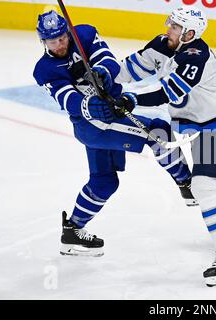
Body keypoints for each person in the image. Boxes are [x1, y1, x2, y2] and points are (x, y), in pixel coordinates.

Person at [115, 6, 216, 286]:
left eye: (175, 27)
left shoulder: (195, 56)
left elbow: (169, 93)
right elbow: (129, 69)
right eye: (170, 24)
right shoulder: (163, 45)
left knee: (202, 185)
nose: (169, 29)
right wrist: (98, 78)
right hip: (200, 126)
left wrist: (132, 100)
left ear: (189, 34)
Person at [33, 10, 194, 257]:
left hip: (107, 116)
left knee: (105, 181)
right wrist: (89, 106)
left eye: (62, 38)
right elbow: (67, 98)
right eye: (52, 41)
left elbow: (108, 59)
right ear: (43, 41)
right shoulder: (44, 69)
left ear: (67, 31)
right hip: (93, 124)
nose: (60, 44)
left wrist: (104, 73)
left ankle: (72, 230)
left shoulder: (84, 34)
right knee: (157, 131)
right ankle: (186, 183)